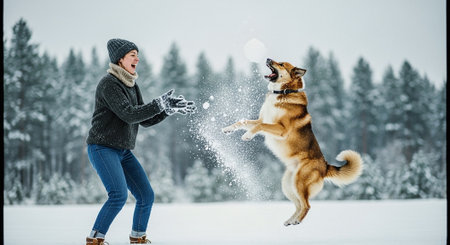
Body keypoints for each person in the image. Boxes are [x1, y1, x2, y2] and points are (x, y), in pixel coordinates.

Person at [85, 38, 195, 245]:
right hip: (102, 147)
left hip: (122, 150)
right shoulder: (109, 83)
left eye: (137, 54)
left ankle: (137, 239)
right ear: (120, 60)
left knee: (146, 195)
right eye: (132, 54)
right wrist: (159, 103)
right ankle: (94, 240)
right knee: (118, 196)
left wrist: (166, 110)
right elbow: (129, 115)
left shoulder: (131, 85)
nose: (137, 58)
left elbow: (143, 119)